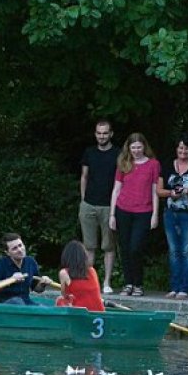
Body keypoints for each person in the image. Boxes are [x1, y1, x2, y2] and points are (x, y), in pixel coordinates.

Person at [156, 134, 188, 300]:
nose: (183, 151)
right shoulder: (167, 165)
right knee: (173, 251)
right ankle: (174, 286)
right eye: (180, 148)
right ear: (176, 149)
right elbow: (159, 190)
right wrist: (171, 193)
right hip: (170, 213)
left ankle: (185, 286)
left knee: (186, 250)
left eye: (186, 148)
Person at [109, 133, 160, 297]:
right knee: (124, 248)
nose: (136, 150)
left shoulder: (153, 164)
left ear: (144, 147)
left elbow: (155, 191)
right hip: (123, 209)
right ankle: (128, 283)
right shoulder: (124, 163)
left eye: (139, 147)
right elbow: (116, 189)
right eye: (133, 147)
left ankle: (138, 283)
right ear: (128, 148)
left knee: (135, 247)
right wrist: (112, 215)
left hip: (144, 211)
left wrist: (155, 214)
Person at [79, 120, 119, 294]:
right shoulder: (89, 152)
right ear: (95, 134)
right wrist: (83, 199)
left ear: (111, 134)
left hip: (109, 206)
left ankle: (107, 282)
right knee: (89, 245)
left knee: (109, 246)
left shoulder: (118, 154)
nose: (101, 136)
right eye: (98, 133)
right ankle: (89, 282)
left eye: (105, 133)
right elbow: (84, 176)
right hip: (88, 204)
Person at [0, 233, 54, 305]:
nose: (20, 250)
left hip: (26, 302)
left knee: (43, 308)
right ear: (7, 253)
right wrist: (11, 279)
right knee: (17, 301)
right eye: (14, 248)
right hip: (4, 304)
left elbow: (37, 289)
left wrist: (42, 284)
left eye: (20, 245)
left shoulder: (30, 262)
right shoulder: (0, 263)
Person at [54, 240, 105, 312]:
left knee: (59, 299)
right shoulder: (92, 270)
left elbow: (64, 294)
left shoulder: (64, 273)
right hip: (99, 310)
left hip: (81, 312)